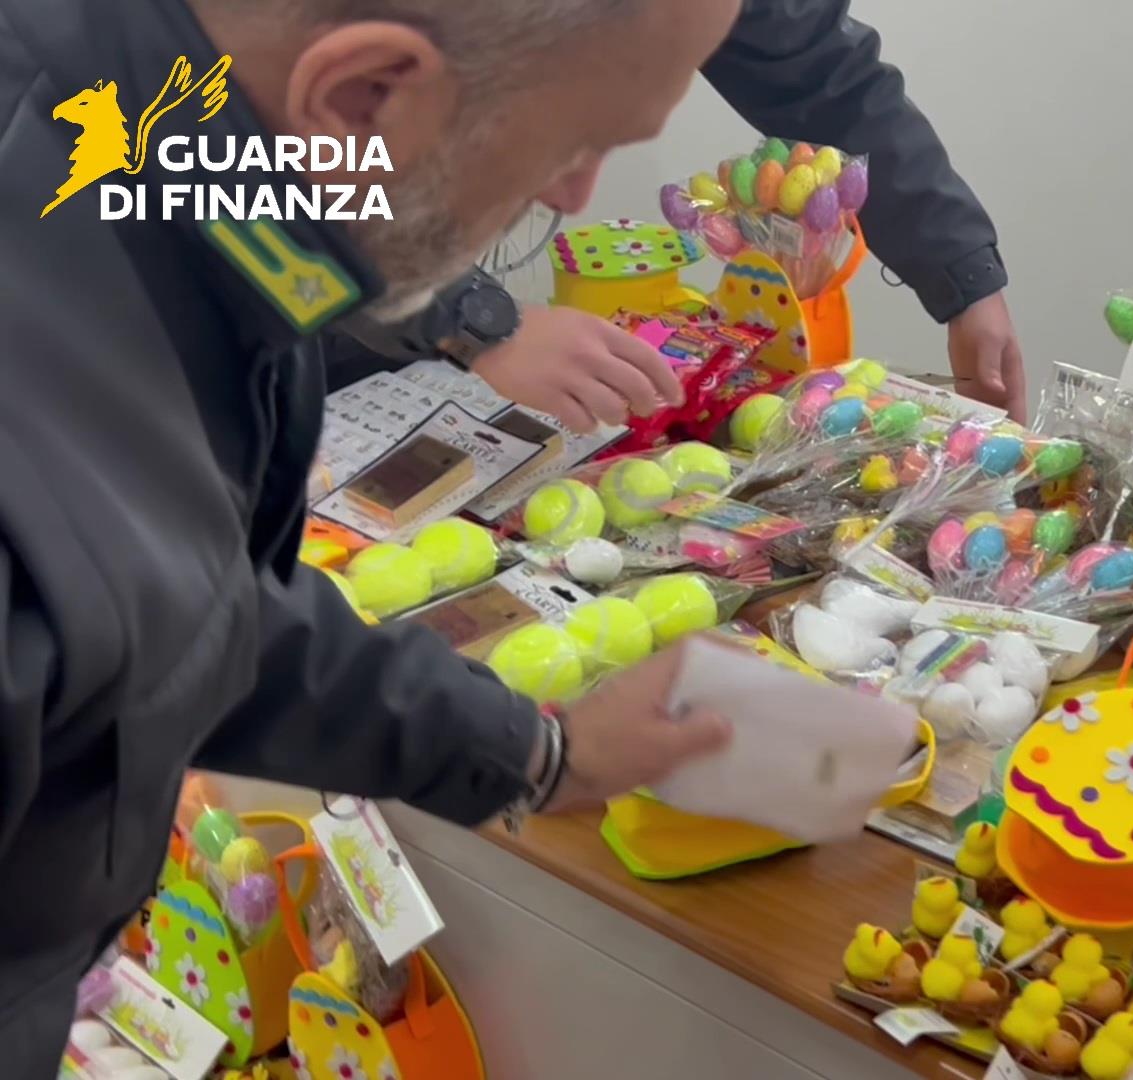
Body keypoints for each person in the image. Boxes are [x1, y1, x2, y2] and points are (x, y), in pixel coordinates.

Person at [0, 0, 751, 1072]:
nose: (575, 195)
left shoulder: (168, 184)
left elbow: (181, 601)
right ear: (361, 97)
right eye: (577, 145)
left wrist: (532, 754)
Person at [369, 0, 1028, 424]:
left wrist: (961, 271)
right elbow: (305, 172)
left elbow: (818, 74)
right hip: (336, 312)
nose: (574, 199)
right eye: (571, 138)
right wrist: (468, 317)